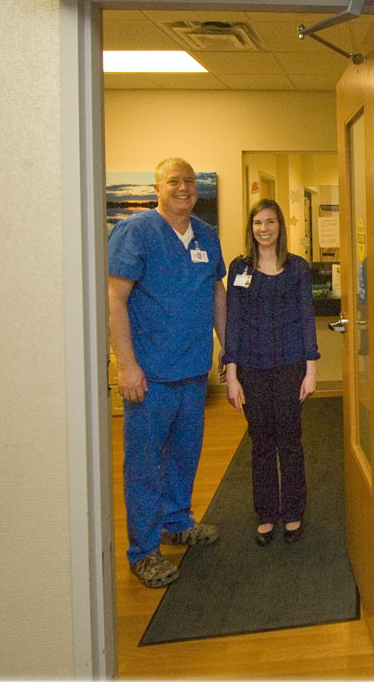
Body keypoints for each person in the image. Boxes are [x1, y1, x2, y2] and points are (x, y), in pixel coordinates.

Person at [108, 157, 227, 588]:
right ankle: (143, 551)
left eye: (189, 181)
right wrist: (127, 366)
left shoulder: (207, 236)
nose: (183, 188)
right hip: (150, 376)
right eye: (173, 181)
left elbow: (217, 293)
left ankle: (177, 521)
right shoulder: (135, 232)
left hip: (194, 372)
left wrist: (226, 350)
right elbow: (115, 300)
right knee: (143, 466)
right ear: (157, 187)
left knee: (184, 455)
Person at [223, 199, 319, 546]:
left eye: (270, 222)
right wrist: (231, 376)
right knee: (261, 442)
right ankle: (267, 513)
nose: (263, 229)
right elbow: (233, 322)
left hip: (291, 365)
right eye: (257, 223)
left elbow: (307, 319)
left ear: (280, 227)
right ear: (251, 228)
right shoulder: (239, 268)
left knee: (290, 441)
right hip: (251, 368)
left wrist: (311, 370)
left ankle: (293, 511)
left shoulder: (297, 269)